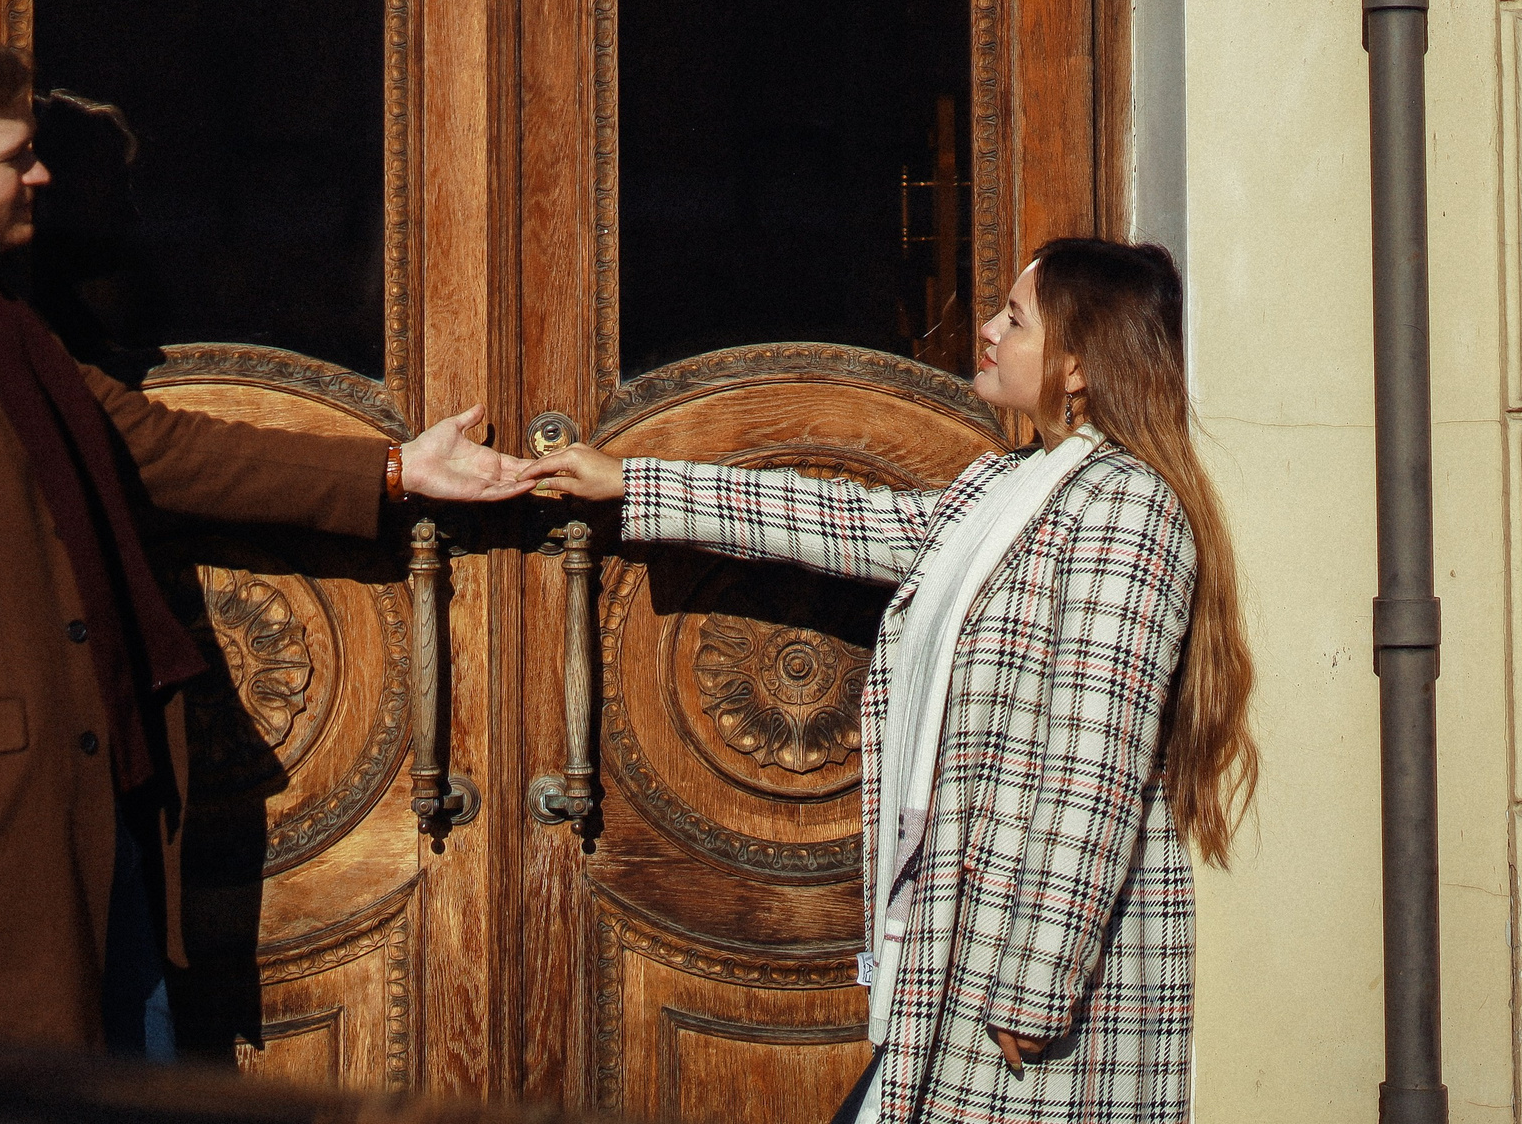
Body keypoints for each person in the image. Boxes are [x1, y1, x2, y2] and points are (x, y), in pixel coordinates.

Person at [0, 25, 527, 1054]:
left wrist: (396, 470)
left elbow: (158, 447)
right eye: (11, 155)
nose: (39, 174)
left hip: (84, 820)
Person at [525, 238, 1254, 1124]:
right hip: (962, 932)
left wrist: (1037, 980)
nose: (986, 328)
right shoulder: (1011, 483)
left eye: (1015, 319)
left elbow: (1092, 769)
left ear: (1077, 367)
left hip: (1022, 972)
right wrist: (632, 482)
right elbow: (847, 518)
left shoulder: (1127, 507)